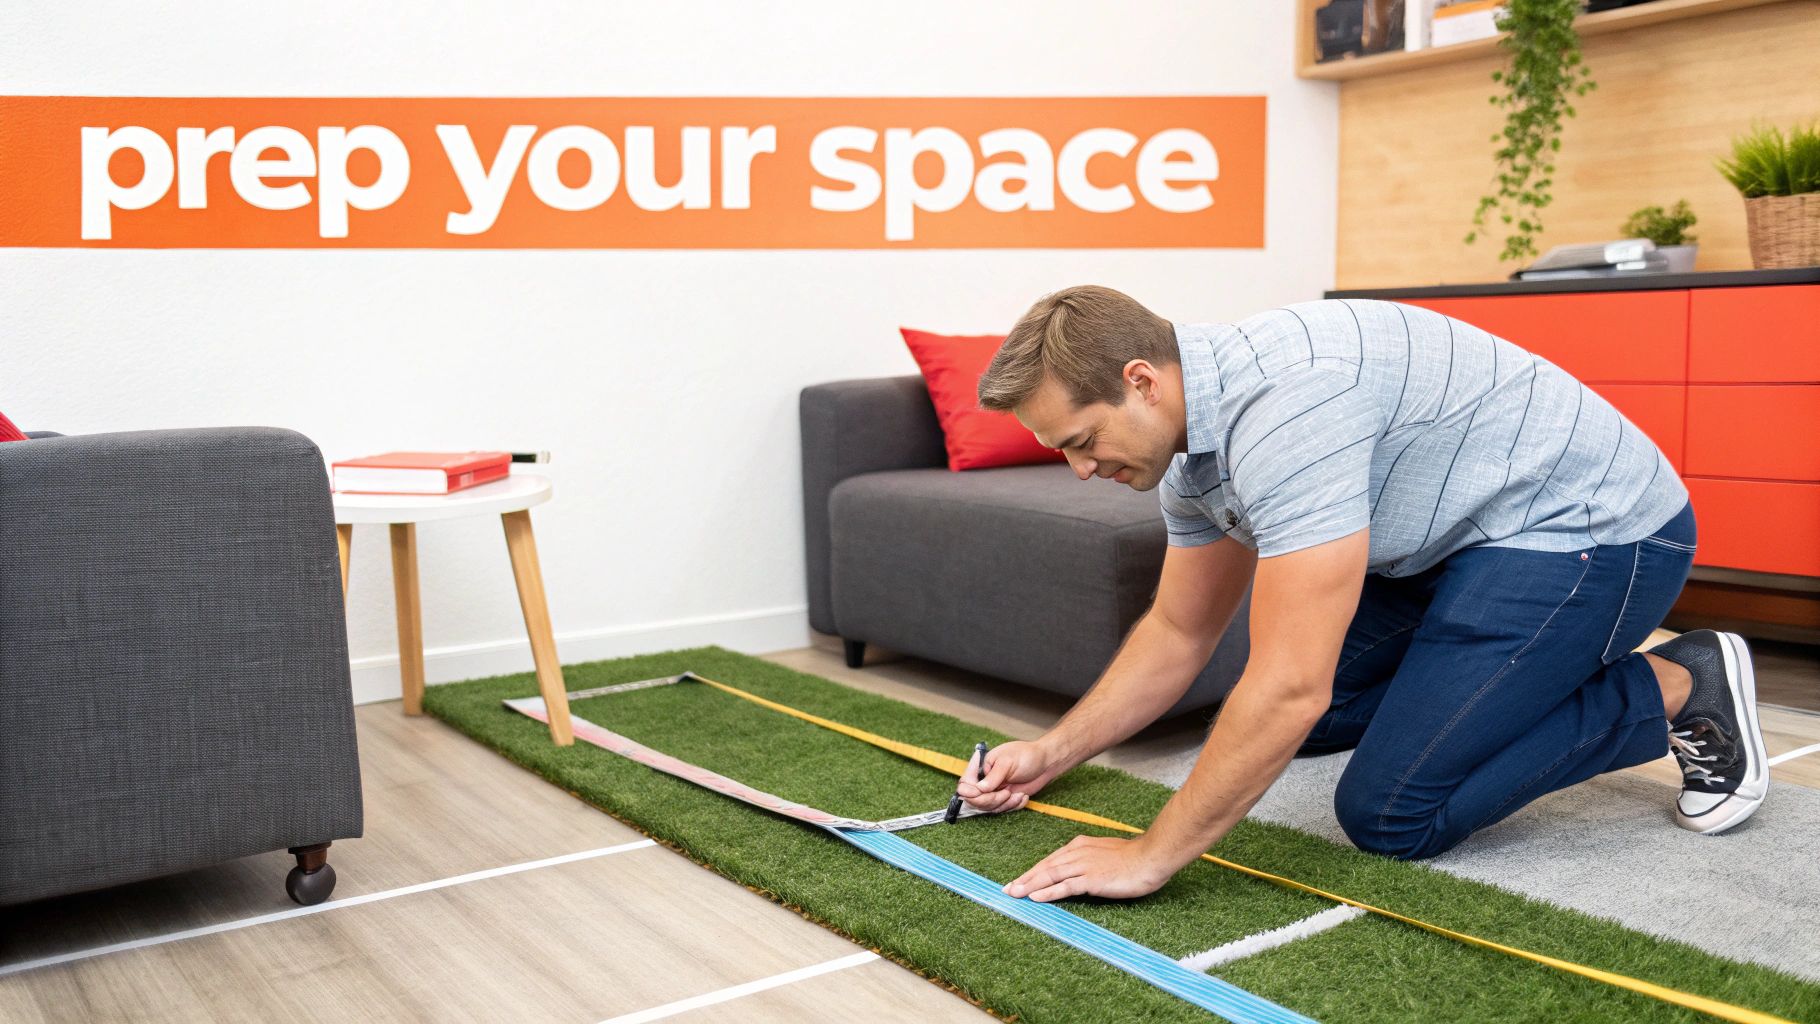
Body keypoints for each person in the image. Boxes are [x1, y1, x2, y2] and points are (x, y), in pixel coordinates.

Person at [956, 285, 1768, 904]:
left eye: (1083, 440)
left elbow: (1289, 688)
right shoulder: (1186, 448)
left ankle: (1678, 681)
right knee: (1306, 722)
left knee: (1390, 811)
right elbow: (1177, 630)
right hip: (1455, 548)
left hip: (1595, 533)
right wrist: (1051, 753)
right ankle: (1492, 676)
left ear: (1142, 381)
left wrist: (1150, 853)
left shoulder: (1287, 411)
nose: (1082, 469)